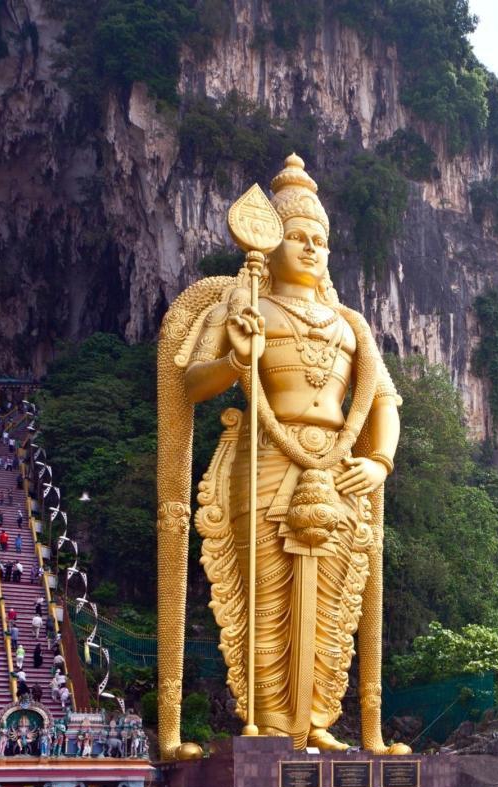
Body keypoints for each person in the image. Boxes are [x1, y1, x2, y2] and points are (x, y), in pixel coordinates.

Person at [160, 155, 406, 754]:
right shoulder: (246, 306)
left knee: (334, 601)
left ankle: (319, 719)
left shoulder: (352, 325)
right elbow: (189, 383)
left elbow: (384, 404)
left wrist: (379, 462)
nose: (311, 248)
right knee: (264, 595)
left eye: (320, 240)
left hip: (340, 468)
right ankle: (270, 723)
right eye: (297, 236)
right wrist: (235, 361)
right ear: (268, 244)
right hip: (265, 457)